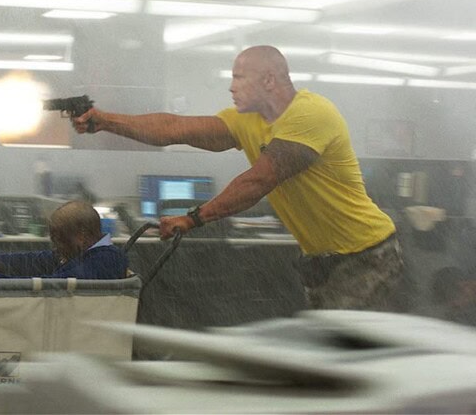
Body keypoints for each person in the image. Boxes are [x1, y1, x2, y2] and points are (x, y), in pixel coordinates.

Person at [71, 45, 404, 311]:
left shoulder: (311, 114)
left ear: (269, 80)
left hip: (366, 254)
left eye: (239, 77)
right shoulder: (248, 120)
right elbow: (174, 128)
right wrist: (107, 121)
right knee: (332, 353)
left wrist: (193, 218)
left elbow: (258, 181)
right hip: (320, 261)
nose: (231, 86)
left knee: (344, 353)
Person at [0, 200, 128, 290]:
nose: (56, 246)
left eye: (59, 239)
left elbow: (54, 285)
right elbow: (28, 261)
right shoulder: (77, 255)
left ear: (81, 236)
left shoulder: (107, 259)